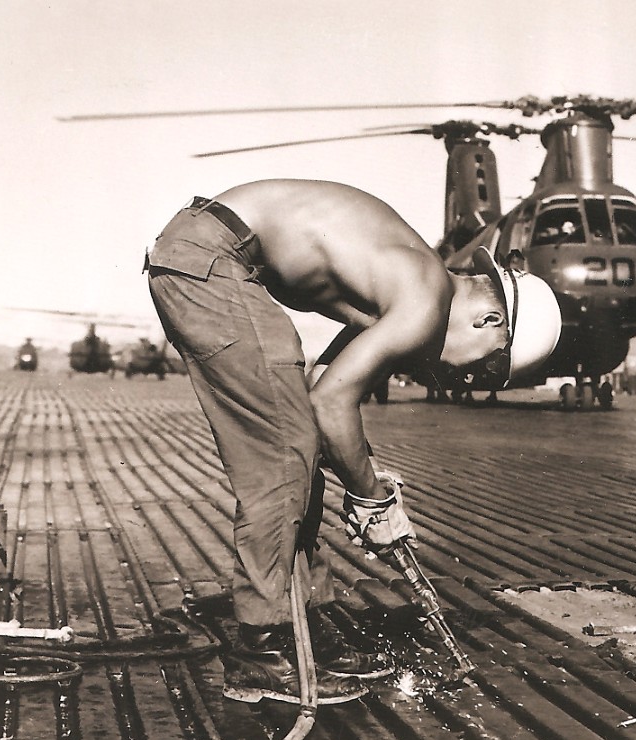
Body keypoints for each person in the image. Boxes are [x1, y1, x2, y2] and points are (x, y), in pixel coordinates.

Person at [144, 180, 561, 705]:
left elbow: (322, 388)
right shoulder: (425, 301)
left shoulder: (412, 286)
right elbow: (330, 404)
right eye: (488, 367)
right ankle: (262, 652)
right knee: (284, 456)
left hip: (205, 252)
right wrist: (372, 500)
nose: (467, 379)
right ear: (490, 320)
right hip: (212, 258)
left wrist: (364, 475)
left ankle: (306, 626)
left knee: (298, 445)